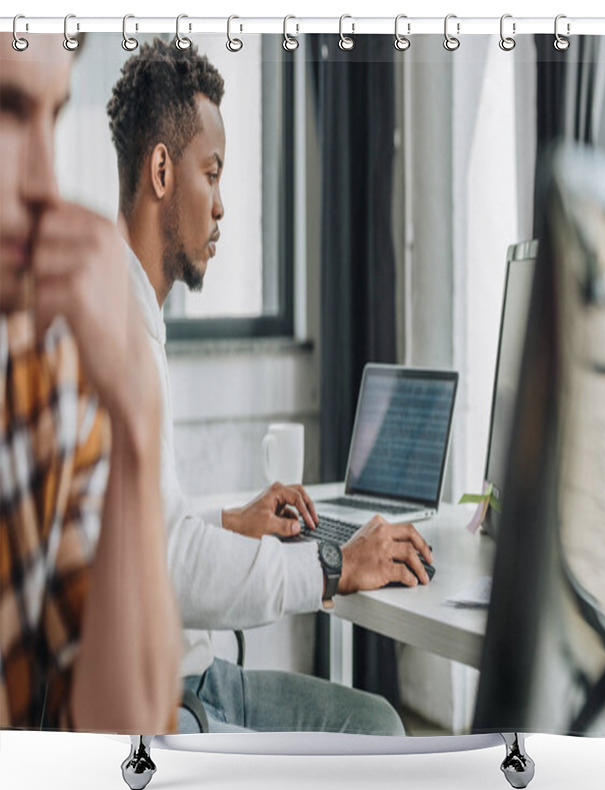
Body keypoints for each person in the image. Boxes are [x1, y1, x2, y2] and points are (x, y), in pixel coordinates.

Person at [106, 39, 433, 735]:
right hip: (167, 703)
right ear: (162, 169)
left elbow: (139, 536)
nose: (222, 207)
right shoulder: (117, 334)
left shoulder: (130, 311)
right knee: (378, 734)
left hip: (191, 672)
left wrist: (232, 522)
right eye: (212, 175)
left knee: (375, 721)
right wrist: (330, 565)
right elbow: (170, 566)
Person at [0, 34, 182, 733]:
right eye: (8, 113)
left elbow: (127, 740)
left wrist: (138, 415)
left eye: (53, 117)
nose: (44, 183)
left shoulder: (48, 363)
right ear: (160, 170)